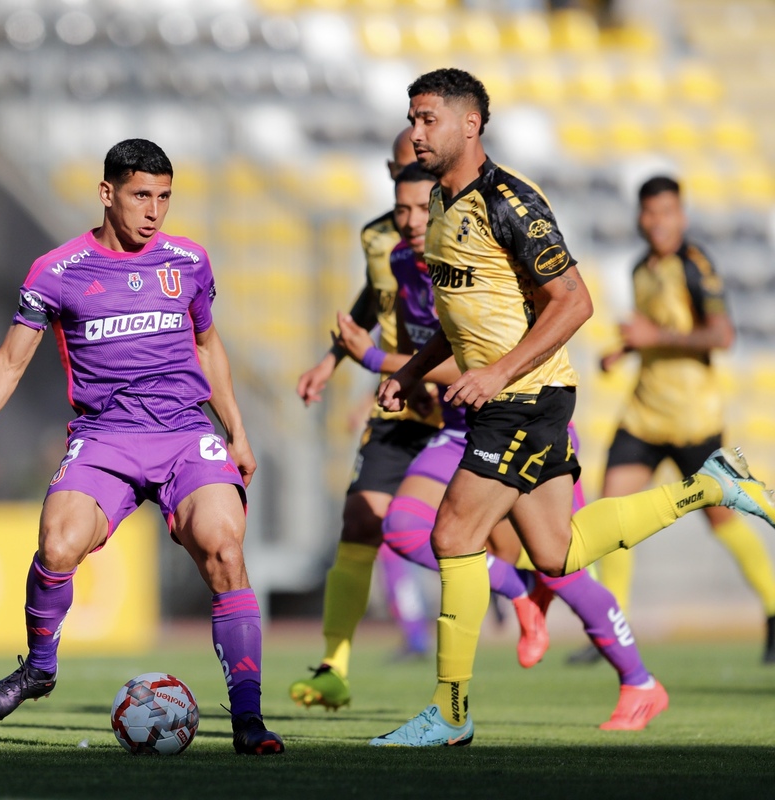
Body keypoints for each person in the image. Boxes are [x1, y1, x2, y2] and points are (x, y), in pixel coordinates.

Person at [368, 68, 775, 747]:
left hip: (524, 397)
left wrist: (496, 372)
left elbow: (575, 302)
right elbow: (466, 313)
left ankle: (452, 712)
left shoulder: (512, 202)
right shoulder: (441, 206)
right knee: (557, 552)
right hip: (516, 396)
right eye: (412, 119)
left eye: (427, 119)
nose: (416, 132)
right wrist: (413, 370)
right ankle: (710, 486)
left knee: (452, 537)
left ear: (470, 124)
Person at [0, 139, 284, 755]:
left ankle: (249, 719)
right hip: (106, 437)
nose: (154, 211)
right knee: (58, 543)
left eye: (164, 197)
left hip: (185, 433)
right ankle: (40, 668)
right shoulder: (57, 271)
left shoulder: (190, 261)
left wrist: (237, 430)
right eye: (140, 196)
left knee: (224, 547)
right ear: (107, 193)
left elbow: (209, 346)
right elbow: (12, 360)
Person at [335, 163, 667, 730]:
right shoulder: (405, 261)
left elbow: (540, 316)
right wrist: (387, 370)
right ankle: (512, 600)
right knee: (408, 529)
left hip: (521, 410)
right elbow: (452, 340)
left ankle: (633, 678)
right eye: (403, 208)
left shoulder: (488, 226)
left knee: (557, 562)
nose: (412, 219)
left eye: (420, 206)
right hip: (465, 423)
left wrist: (377, 361)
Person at [288, 130, 549, 711]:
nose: (421, 180)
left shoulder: (463, 232)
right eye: (408, 173)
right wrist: (332, 362)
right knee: (360, 520)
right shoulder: (379, 237)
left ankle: (553, 612)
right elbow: (371, 297)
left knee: (534, 542)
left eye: (428, 172)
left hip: (459, 401)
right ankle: (334, 666)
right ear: (394, 171)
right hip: (401, 401)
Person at [583, 176, 775, 665]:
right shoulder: (638, 269)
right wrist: (623, 350)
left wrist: (650, 337)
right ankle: (614, 625)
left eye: (668, 212)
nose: (658, 222)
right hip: (645, 412)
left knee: (719, 518)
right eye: (650, 212)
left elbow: (721, 335)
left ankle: (774, 608)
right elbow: (655, 331)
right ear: (640, 217)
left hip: (692, 416)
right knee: (612, 508)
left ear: (681, 216)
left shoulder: (695, 265)